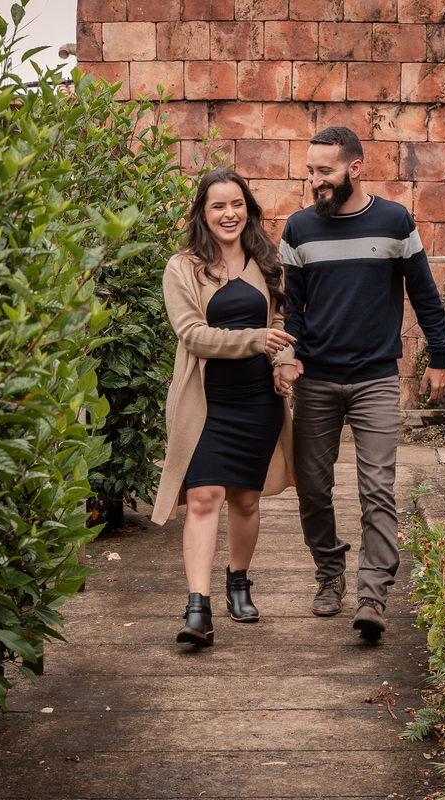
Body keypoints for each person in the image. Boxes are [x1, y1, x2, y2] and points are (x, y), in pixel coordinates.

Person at [275, 126, 445, 640]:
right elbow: (294, 311)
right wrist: (288, 357)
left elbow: (425, 294)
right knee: (312, 486)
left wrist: (439, 357)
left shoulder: (395, 221)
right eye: (310, 172)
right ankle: (330, 575)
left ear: (354, 168)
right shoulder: (298, 229)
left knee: (377, 488)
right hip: (316, 379)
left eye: (324, 171)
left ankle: (372, 594)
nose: (314, 181)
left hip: (376, 377)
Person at [151, 168, 297, 647]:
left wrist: (284, 361)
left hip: (259, 401)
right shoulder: (183, 267)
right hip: (206, 403)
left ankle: (238, 583)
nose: (229, 214)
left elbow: (281, 325)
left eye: (237, 204)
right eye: (218, 206)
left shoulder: (267, 261)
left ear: (248, 210)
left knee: (246, 499)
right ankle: (198, 608)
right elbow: (191, 333)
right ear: (203, 213)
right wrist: (257, 340)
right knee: (202, 497)